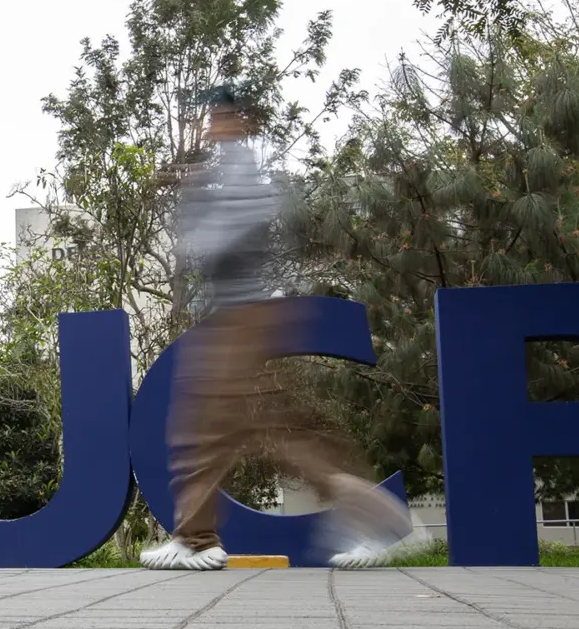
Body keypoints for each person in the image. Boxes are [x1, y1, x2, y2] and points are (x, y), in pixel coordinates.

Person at [139, 86, 413, 572]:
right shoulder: (232, 166)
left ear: (239, 120)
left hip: (242, 319)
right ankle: (371, 516)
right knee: (256, 431)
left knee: (202, 430)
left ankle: (197, 538)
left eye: (218, 116)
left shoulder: (241, 166)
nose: (210, 125)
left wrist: (193, 204)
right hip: (239, 317)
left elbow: (234, 233)